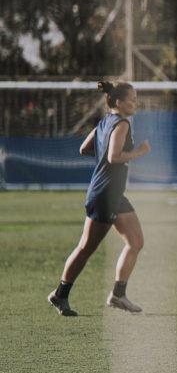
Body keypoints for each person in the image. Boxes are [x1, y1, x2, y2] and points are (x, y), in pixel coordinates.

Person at [48, 81, 151, 316]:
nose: (136, 103)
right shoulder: (122, 124)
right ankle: (60, 294)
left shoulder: (105, 122)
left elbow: (85, 148)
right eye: (132, 99)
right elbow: (114, 157)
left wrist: (105, 153)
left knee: (136, 242)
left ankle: (118, 294)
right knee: (86, 247)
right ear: (118, 102)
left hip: (113, 194)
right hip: (105, 194)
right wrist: (139, 152)